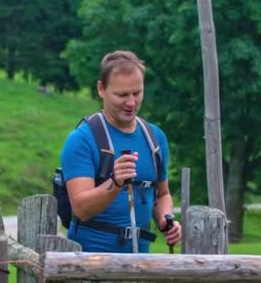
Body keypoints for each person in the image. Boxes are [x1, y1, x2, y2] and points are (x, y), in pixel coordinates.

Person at [60, 50, 182, 253]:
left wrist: (166, 219)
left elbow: (162, 195)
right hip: (89, 263)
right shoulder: (82, 139)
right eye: (122, 95)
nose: (131, 103)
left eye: (137, 93)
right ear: (101, 89)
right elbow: (81, 209)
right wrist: (115, 182)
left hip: (140, 262)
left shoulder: (155, 138)